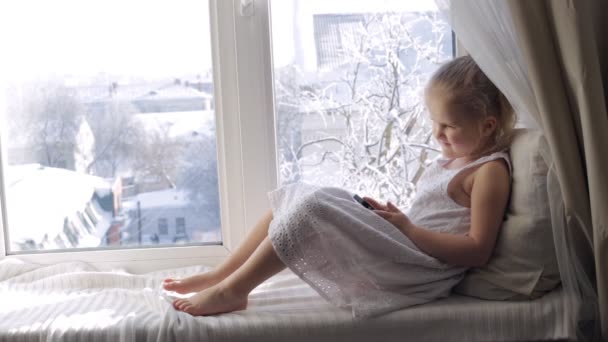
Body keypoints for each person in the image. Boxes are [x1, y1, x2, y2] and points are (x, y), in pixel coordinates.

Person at [163, 55, 515, 318]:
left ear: (486, 126)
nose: (437, 134)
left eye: (448, 126)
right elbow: (438, 219)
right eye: (434, 122)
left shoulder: (489, 173)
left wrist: (407, 228)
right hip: (411, 248)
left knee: (313, 210)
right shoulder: (454, 161)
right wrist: (396, 219)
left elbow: (476, 250)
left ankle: (233, 291)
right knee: (296, 195)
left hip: (423, 271)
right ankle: (222, 274)